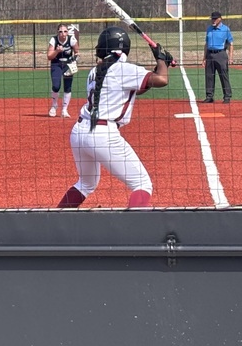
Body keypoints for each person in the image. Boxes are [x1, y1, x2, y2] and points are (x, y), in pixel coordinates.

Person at [57, 25, 172, 209]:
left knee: (86, 184)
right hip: (103, 135)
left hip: (79, 132)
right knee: (142, 184)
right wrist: (161, 60)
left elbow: (134, 89)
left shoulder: (96, 70)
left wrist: (160, 64)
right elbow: (162, 80)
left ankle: (55, 222)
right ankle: (136, 229)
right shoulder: (124, 69)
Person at [46, 24, 80, 118]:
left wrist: (75, 61)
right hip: (56, 64)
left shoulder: (71, 39)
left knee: (67, 87)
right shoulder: (54, 40)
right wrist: (57, 51)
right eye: (61, 31)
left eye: (65, 31)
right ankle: (54, 105)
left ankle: (64, 110)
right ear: (58, 32)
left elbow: (77, 52)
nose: (63, 34)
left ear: (67, 32)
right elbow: (49, 56)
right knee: (56, 86)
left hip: (68, 64)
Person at [202, 11, 233, 103]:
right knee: (209, 76)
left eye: (215, 18)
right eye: (212, 18)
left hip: (221, 54)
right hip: (210, 54)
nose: (213, 20)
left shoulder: (225, 29)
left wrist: (230, 57)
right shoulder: (209, 29)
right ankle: (209, 96)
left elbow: (231, 44)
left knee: (224, 76)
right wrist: (204, 57)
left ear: (220, 19)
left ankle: (227, 96)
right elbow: (206, 43)